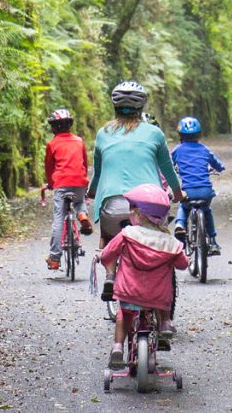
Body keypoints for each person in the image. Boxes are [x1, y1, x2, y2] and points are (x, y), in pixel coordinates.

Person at [86, 81, 183, 308]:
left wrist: (91, 192)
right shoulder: (155, 133)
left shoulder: (102, 134)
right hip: (147, 206)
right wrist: (177, 193)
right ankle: (162, 304)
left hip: (112, 205)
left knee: (109, 237)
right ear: (142, 106)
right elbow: (167, 170)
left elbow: (98, 173)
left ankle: (110, 276)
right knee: (159, 240)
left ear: (115, 106)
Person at [99, 184, 188, 365]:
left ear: (139, 214)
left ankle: (117, 347)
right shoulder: (170, 243)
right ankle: (165, 323)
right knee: (162, 299)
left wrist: (105, 263)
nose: (130, 212)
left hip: (128, 291)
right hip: (157, 296)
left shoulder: (127, 234)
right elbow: (182, 265)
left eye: (132, 208)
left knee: (123, 315)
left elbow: (107, 254)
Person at [44, 108, 92, 271]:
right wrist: (83, 180)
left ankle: (55, 259)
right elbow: (84, 164)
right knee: (79, 202)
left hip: (61, 183)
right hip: (79, 181)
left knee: (59, 218)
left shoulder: (52, 144)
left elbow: (49, 168)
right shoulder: (79, 141)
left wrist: (51, 184)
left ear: (54, 127)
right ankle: (82, 215)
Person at [171, 116, 225, 255]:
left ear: (180, 135)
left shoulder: (177, 150)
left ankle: (180, 224)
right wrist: (220, 168)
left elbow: (169, 164)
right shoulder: (204, 149)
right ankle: (212, 241)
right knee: (206, 210)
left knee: (184, 206)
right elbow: (217, 165)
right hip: (205, 191)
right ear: (199, 134)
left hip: (188, 191)